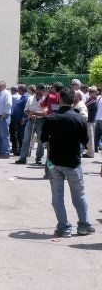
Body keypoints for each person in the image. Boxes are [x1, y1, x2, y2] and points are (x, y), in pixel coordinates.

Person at [40, 87, 94, 237]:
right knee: (79, 195)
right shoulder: (78, 119)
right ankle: (84, 225)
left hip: (55, 162)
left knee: (57, 197)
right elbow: (85, 140)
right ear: (74, 100)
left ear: (59, 99)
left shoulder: (52, 118)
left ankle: (64, 228)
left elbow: (43, 138)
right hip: (73, 162)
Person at [15, 83, 47, 165]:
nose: (39, 91)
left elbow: (45, 113)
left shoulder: (46, 100)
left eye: (41, 90)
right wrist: (30, 115)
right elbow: (25, 110)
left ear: (44, 91)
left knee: (40, 140)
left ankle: (39, 158)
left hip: (41, 121)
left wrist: (35, 113)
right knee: (26, 139)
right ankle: (22, 158)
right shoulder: (30, 98)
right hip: (30, 120)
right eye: (38, 89)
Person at [0, 81, 12, 158]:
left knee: (4, 135)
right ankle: (0, 151)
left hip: (4, 116)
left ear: (4, 86)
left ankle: (6, 153)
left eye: (0, 86)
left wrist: (4, 114)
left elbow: (9, 104)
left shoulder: (7, 93)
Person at [11, 84, 28, 153]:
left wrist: (23, 118)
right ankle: (20, 149)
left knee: (22, 136)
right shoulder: (22, 97)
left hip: (21, 120)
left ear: (21, 90)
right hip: (17, 119)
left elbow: (25, 109)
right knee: (19, 135)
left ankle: (23, 151)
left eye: (19, 89)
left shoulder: (25, 98)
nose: (17, 90)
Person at [83, 86, 98, 158]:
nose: (90, 93)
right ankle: (90, 152)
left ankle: (90, 153)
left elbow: (84, 106)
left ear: (95, 93)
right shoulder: (90, 99)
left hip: (90, 121)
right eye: (89, 91)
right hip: (90, 121)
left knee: (90, 138)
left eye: (92, 92)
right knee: (89, 137)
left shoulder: (93, 101)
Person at [9, 85, 20, 156]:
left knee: (13, 133)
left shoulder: (13, 97)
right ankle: (18, 147)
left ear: (12, 90)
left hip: (13, 116)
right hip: (19, 116)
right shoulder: (20, 96)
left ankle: (14, 147)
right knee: (18, 132)